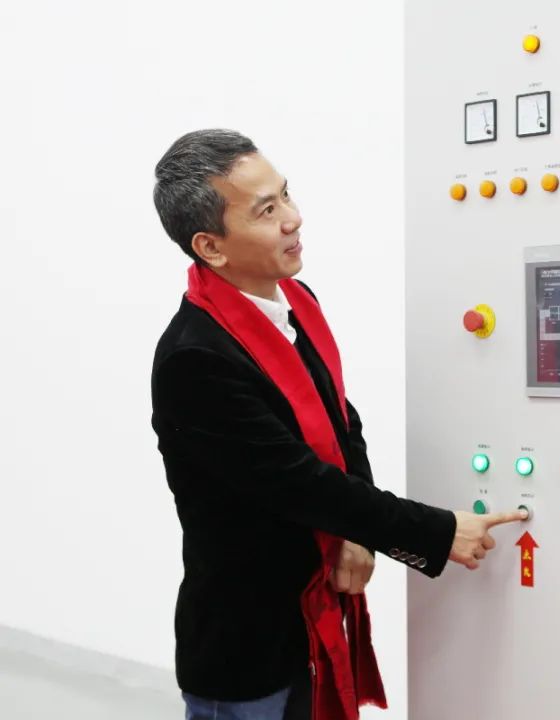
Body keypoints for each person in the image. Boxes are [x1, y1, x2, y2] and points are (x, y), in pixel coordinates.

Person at [150, 129, 525, 720]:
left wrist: (359, 534)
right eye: (266, 210)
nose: (293, 218)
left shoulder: (297, 303)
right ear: (211, 247)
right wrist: (436, 533)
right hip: (248, 644)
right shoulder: (194, 360)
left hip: (312, 616)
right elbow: (299, 482)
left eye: (286, 194)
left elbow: (340, 420)